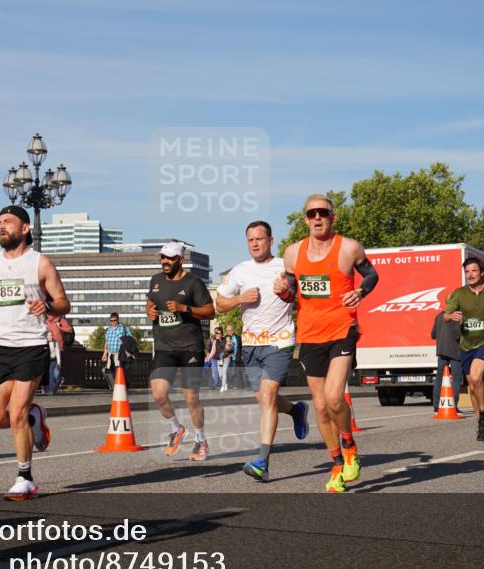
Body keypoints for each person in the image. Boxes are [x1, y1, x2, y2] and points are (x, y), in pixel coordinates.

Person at [275, 194, 379, 493]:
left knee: (335, 398)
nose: (317, 218)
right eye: (312, 214)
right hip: (309, 334)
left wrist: (360, 292)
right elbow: (292, 292)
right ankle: (336, 465)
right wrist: (283, 289)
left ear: (333, 217)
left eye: (323, 212)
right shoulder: (293, 253)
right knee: (320, 408)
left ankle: (348, 445)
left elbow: (372, 275)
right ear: (305, 219)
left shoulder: (349, 247)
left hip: (342, 329)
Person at [0, 205, 69, 500]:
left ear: (25, 228)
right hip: (0, 346)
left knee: (15, 412)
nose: (2, 226)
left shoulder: (40, 263)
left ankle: (24, 477)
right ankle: (32, 419)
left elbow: (63, 303)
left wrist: (49, 307)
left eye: (9, 222)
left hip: (31, 346)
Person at [216, 220, 309, 482]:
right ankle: (295, 411)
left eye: (260, 239)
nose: (255, 244)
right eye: (250, 240)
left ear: (271, 240)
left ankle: (262, 462)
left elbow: (305, 295)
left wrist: (288, 290)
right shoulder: (240, 271)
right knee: (265, 400)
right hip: (251, 345)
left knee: (268, 395)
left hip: (279, 342)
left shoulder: (285, 266)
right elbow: (219, 304)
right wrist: (239, 299)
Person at [146, 242, 215, 461]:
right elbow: (151, 300)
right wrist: (149, 310)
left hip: (189, 347)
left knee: (191, 397)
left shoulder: (193, 283)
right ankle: (176, 429)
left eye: (170, 258)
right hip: (164, 346)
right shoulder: (156, 281)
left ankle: (200, 439)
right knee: (158, 393)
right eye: (162, 257)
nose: (164, 261)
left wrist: (184, 308)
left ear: (180, 260)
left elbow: (210, 311)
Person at [443, 257, 484, 439]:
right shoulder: (459, 293)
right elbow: (445, 315)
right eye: (467, 271)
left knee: (477, 377)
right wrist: (451, 315)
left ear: (482, 273)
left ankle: (483, 414)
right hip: (466, 344)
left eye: (474, 271)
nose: (470, 275)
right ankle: (481, 421)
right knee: (472, 383)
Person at [430, 311, 462, 415]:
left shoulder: (439, 315)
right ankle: (453, 405)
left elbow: (433, 334)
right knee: (456, 379)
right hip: (455, 351)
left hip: (441, 350)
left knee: (439, 379)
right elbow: (458, 334)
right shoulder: (457, 315)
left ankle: (436, 406)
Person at [101, 312, 131, 389]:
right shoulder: (108, 329)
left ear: (118, 319)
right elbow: (107, 342)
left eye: (114, 320)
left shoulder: (123, 328)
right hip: (110, 354)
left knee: (119, 371)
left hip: (119, 353)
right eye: (111, 320)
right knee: (107, 371)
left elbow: (130, 339)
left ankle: (120, 387)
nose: (113, 322)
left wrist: (124, 343)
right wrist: (104, 354)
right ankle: (113, 387)